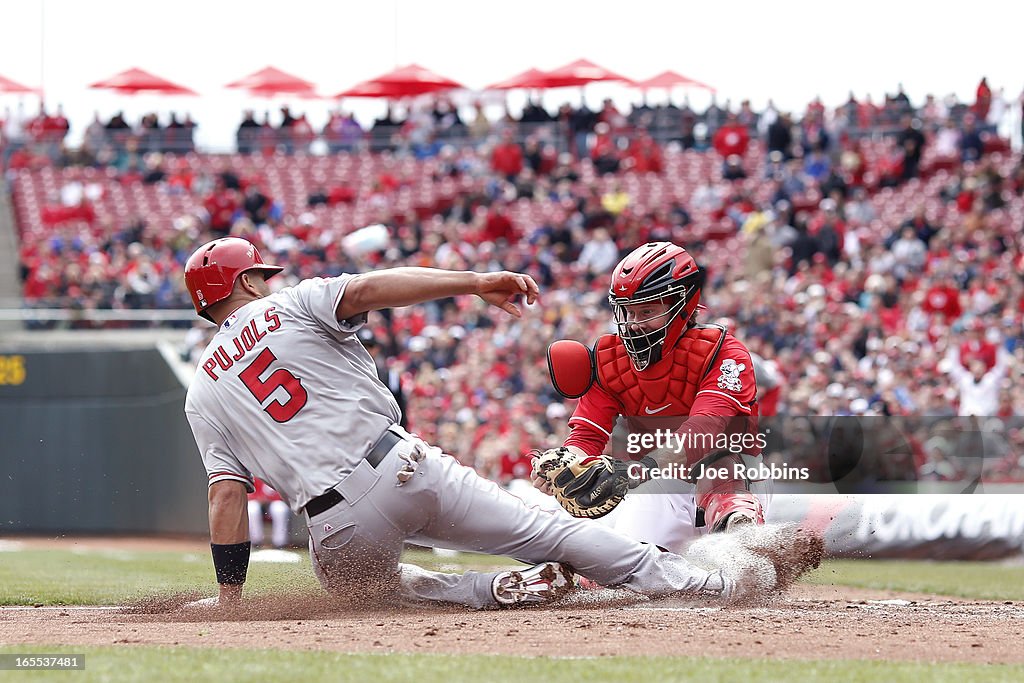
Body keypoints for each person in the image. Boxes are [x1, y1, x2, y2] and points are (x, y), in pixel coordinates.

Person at [182, 237, 789, 611]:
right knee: (552, 534)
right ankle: (707, 589)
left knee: (369, 597)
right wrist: (473, 282)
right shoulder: (288, 306)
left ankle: (489, 592)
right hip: (401, 465)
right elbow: (369, 287)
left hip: (333, 520)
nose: (273, 282)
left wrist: (231, 599)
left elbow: (226, 498)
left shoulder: (201, 391)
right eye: (263, 275)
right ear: (244, 283)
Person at [535, 242, 768, 553]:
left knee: (719, 466)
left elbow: (705, 431)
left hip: (734, 479)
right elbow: (589, 432)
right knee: (615, 571)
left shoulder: (724, 353)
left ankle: (741, 532)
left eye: (646, 310)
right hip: (658, 484)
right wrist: (564, 464)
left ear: (682, 304)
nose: (633, 324)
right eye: (627, 311)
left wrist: (639, 468)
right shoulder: (609, 359)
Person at [247, 478, 291, 549]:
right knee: (252, 508)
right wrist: (260, 499)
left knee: (280, 508)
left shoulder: (276, 476)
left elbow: (283, 496)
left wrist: (269, 499)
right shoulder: (256, 475)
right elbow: (250, 495)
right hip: (259, 506)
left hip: (273, 504)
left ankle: (280, 543)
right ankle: (256, 542)